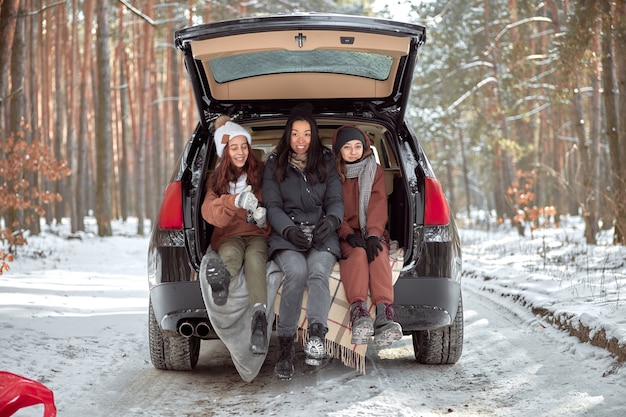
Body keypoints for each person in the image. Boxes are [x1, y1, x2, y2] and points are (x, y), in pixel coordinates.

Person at [262, 103, 344, 379]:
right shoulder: (275, 163)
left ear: (314, 135)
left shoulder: (326, 159)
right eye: (295, 134)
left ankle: (317, 336)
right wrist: (288, 231)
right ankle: (285, 349)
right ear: (288, 135)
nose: (300, 140)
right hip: (288, 236)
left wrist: (331, 222)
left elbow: (335, 199)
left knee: (319, 272)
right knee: (296, 273)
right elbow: (272, 206)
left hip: (322, 232)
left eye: (307, 134)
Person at [201, 115, 271, 354]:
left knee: (255, 260)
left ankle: (259, 320)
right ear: (225, 151)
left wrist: (263, 217)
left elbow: (276, 205)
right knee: (230, 254)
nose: (240, 152)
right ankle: (221, 284)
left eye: (244, 147)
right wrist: (234, 201)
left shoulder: (261, 175)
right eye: (234, 147)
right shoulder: (217, 181)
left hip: (258, 233)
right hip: (229, 234)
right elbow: (210, 213)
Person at [332, 125, 402, 346]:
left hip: (371, 230)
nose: (353, 151)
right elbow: (331, 208)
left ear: (365, 147)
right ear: (338, 150)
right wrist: (346, 233)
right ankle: (359, 311)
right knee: (359, 255)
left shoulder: (374, 170)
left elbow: (378, 204)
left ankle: (385, 314)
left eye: (357, 146)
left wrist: (373, 235)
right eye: (347, 147)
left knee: (378, 253)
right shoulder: (332, 174)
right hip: (345, 234)